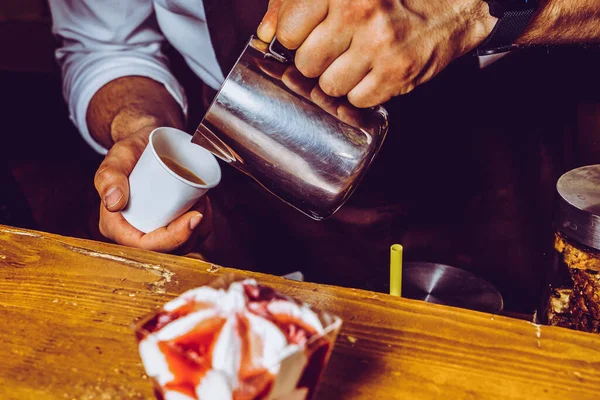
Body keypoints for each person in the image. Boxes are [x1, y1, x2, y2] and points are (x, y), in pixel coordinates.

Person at [48, 0, 599, 310]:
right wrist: (141, 129)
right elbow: (107, 44)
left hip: (490, 173)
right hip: (253, 171)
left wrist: (466, 11)